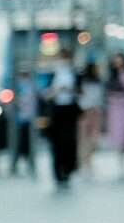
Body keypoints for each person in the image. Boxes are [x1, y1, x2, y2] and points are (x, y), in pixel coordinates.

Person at [44, 55, 81, 186]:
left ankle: (68, 168)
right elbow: (45, 94)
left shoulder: (75, 75)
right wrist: (55, 91)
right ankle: (58, 171)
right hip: (56, 113)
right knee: (56, 143)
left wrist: (71, 89)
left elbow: (81, 91)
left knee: (69, 141)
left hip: (69, 111)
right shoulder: (51, 75)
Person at [77, 55, 104, 177]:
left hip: (96, 111)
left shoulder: (99, 81)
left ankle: (88, 160)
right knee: (84, 139)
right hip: (84, 111)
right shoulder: (83, 82)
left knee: (94, 139)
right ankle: (84, 162)